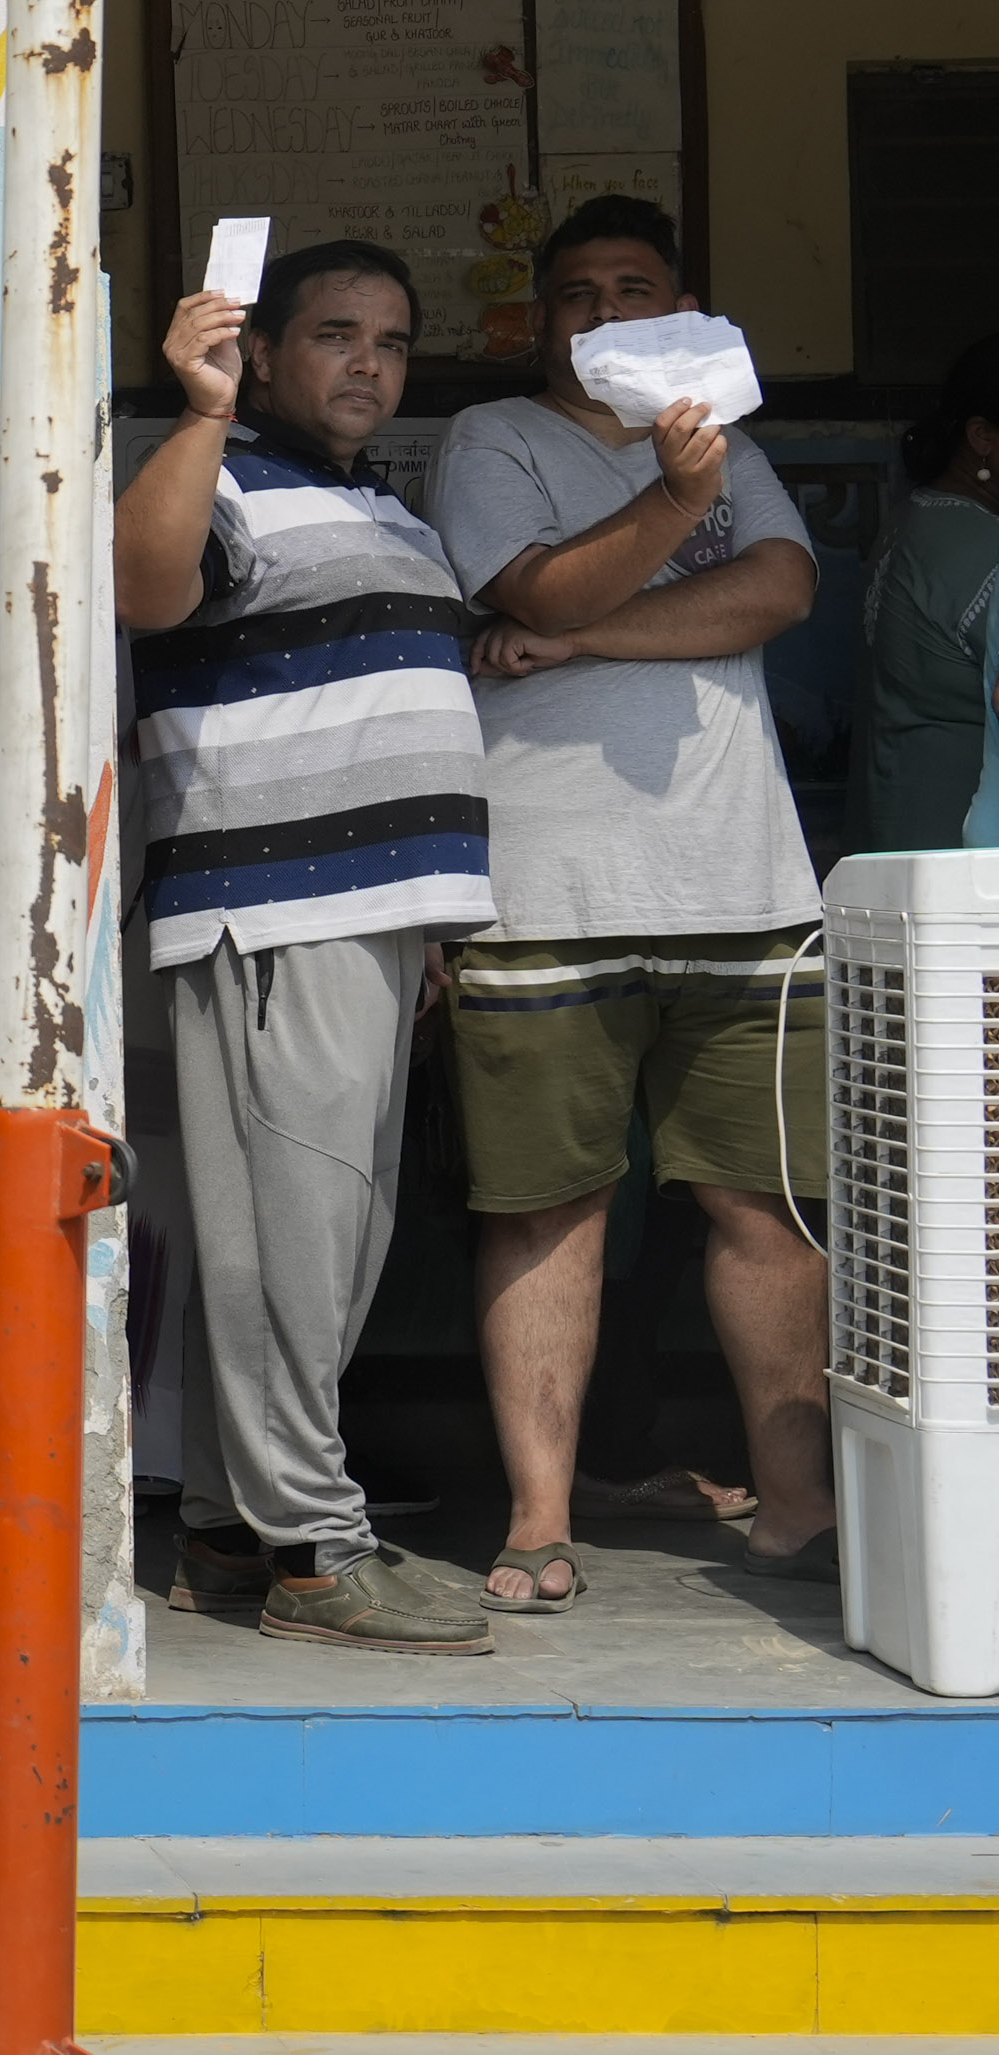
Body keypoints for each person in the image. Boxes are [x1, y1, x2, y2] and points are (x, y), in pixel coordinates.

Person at [424, 198, 840, 1610]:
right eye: (580, 293)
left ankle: (798, 1506)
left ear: (683, 314)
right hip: (552, 882)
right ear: (541, 321)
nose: (605, 312)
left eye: (636, 289)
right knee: (551, 1207)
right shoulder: (493, 439)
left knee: (766, 1205)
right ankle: (539, 1518)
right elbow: (530, 574)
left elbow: (778, 589)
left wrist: (581, 635)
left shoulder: (741, 448)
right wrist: (663, 519)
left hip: (745, 881)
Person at [117, 244, 498, 1655]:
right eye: (334, 333)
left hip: (372, 923)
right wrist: (201, 410)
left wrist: (426, 926)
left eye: (392, 341)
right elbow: (142, 589)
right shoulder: (217, 477)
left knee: (323, 1243)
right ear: (262, 350)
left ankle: (227, 1526)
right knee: (296, 1249)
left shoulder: (380, 507)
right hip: (278, 912)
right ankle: (319, 1552)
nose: (368, 362)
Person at [858, 334, 999, 852]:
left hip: (899, 841)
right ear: (982, 435)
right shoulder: (984, 547)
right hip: (968, 866)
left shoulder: (915, 516)